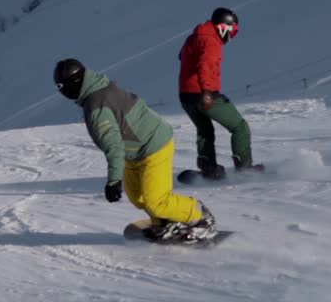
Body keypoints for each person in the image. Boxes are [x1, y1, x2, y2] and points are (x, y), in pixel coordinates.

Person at [52, 58, 216, 241]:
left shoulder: (96, 106)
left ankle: (200, 216)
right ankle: (165, 222)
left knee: (156, 201)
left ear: (73, 83)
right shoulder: (97, 86)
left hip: (154, 145)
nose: (62, 92)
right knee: (137, 196)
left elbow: (113, 145)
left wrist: (114, 181)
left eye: (61, 87)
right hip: (135, 150)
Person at [178, 7, 262, 179]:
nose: (232, 36)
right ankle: (245, 169)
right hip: (203, 93)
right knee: (239, 127)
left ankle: (208, 169)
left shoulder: (195, 36)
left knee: (205, 130)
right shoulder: (211, 40)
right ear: (224, 26)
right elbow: (206, 65)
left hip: (186, 96)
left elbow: (182, 56)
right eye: (233, 31)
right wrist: (208, 92)